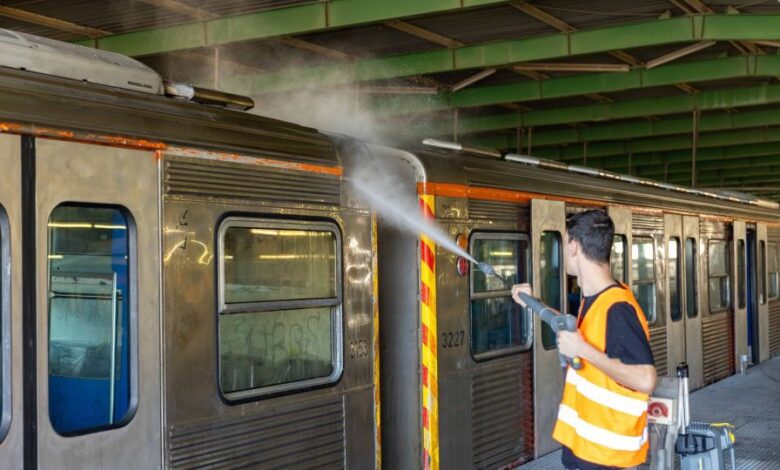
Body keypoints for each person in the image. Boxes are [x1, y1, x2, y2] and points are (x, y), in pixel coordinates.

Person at [511, 210, 656, 470]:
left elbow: (646, 379)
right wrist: (532, 303)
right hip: (590, 454)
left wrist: (583, 350)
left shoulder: (617, 308)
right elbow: (574, 331)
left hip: (607, 460)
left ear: (574, 247)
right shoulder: (598, 299)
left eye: (564, 242)